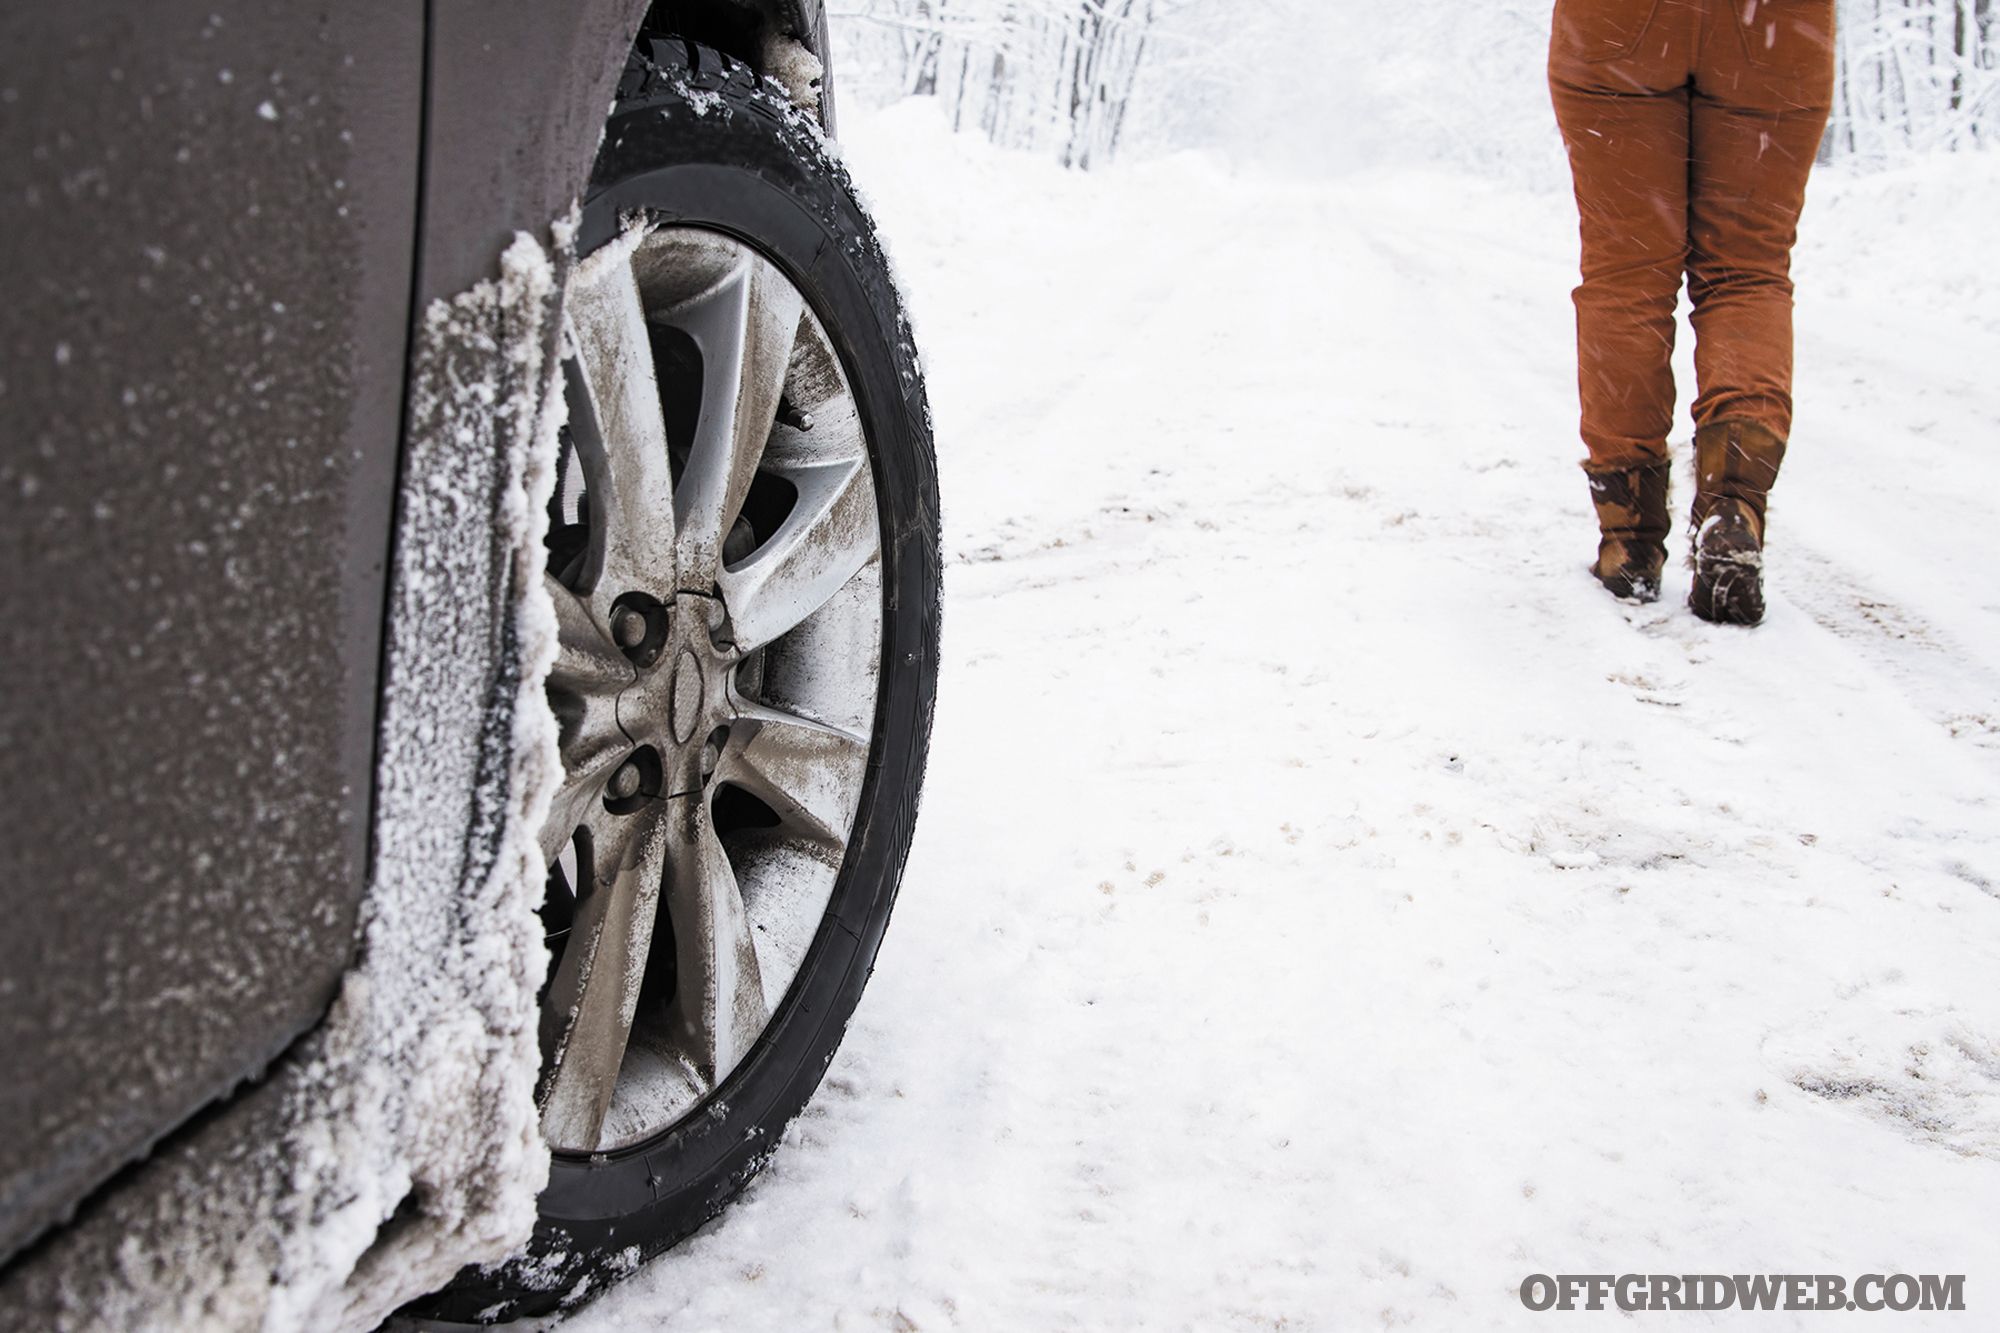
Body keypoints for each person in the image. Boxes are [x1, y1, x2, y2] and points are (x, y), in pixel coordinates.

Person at [1549, 0, 1836, 625]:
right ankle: (1735, 508)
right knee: (1746, 271)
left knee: (1626, 276)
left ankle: (1630, 540)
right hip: (1777, 26)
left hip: (1618, 24)